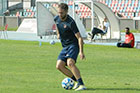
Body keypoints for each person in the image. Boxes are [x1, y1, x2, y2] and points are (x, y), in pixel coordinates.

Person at [54, 3, 86, 91]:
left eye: (62, 13)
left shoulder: (71, 22)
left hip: (73, 45)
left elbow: (79, 38)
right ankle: (77, 81)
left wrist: (81, 52)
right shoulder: (56, 18)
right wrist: (58, 33)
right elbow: (57, 25)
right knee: (59, 66)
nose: (60, 15)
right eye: (59, 13)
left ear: (66, 12)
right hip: (65, 46)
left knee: (70, 63)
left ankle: (82, 85)